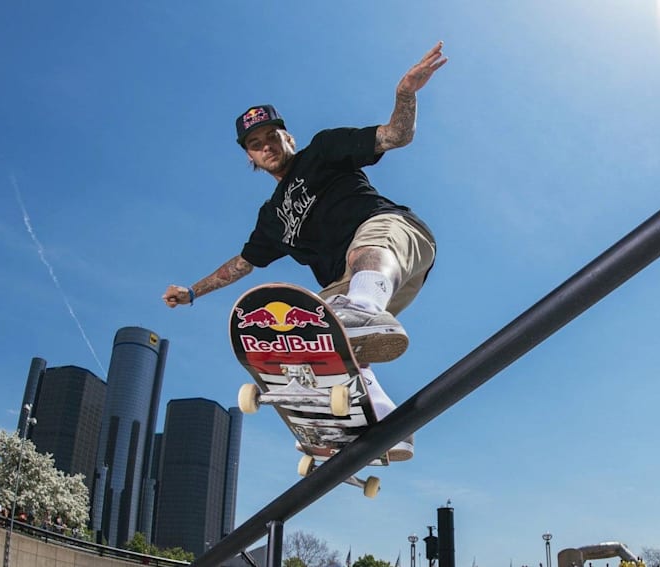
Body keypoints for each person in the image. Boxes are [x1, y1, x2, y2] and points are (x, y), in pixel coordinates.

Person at [162, 42, 448, 460]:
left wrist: (406, 93)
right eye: (255, 144)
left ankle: (364, 310)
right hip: (353, 288)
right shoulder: (270, 219)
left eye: (271, 136)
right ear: (250, 158)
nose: (266, 146)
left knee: (361, 252)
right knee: (307, 339)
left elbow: (395, 136)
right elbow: (240, 266)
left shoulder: (323, 150)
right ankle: (382, 424)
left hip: (395, 238)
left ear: (287, 136)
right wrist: (191, 292)